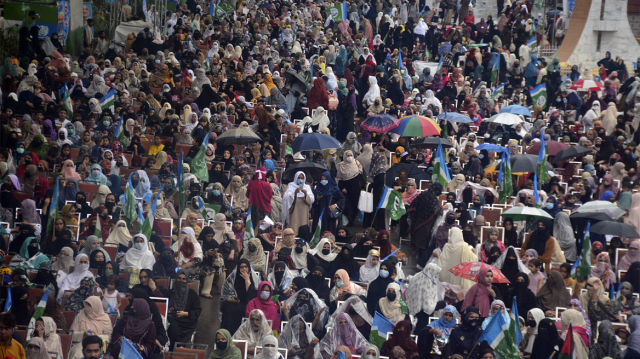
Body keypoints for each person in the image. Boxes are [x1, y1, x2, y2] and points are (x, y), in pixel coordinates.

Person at [220, 259, 260, 335]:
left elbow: (251, 297)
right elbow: (224, 296)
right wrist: (231, 299)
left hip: (247, 303)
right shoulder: (232, 278)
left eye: (246, 267)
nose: (244, 269)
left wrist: (247, 280)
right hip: (234, 302)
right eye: (241, 267)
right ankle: (226, 335)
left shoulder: (254, 279)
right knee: (227, 309)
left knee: (244, 310)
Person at [167, 270, 202, 345]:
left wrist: (185, 314)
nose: (181, 281)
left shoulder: (192, 294)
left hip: (187, 321)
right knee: (172, 326)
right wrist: (169, 310)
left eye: (184, 279)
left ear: (187, 280)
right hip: (172, 318)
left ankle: (176, 347)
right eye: (179, 278)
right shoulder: (170, 292)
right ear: (176, 279)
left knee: (174, 328)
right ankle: (174, 348)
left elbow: (197, 311)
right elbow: (165, 306)